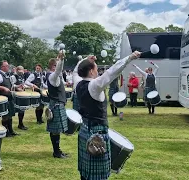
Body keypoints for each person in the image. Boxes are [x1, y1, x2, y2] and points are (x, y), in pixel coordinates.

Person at [76, 51, 141, 180]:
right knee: (98, 175)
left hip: (84, 131)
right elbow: (112, 72)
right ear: (90, 71)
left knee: (85, 172)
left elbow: (75, 71)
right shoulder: (94, 86)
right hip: (97, 133)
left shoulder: (77, 83)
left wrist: (84, 59)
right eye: (95, 67)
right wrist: (130, 57)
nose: (97, 70)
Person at [45, 51, 69, 158]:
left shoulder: (56, 76)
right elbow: (59, 70)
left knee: (57, 130)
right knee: (55, 130)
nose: (57, 67)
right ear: (52, 66)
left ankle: (58, 150)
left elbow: (59, 70)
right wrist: (61, 60)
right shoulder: (52, 76)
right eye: (55, 65)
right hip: (56, 105)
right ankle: (56, 152)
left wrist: (61, 60)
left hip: (57, 104)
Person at [0, 60, 18, 137]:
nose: (8, 67)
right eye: (6, 66)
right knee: (5, 116)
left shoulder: (7, 75)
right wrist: (3, 88)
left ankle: (11, 130)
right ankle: (6, 132)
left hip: (9, 97)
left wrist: (17, 86)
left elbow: (11, 84)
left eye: (8, 65)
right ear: (2, 67)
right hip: (3, 98)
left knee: (10, 115)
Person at [12, 66, 28, 130]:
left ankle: (20, 124)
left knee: (22, 109)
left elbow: (23, 83)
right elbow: (12, 85)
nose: (21, 73)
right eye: (20, 71)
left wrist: (26, 86)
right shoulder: (13, 77)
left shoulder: (21, 76)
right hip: (16, 94)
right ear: (17, 70)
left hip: (22, 94)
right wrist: (18, 87)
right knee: (17, 110)